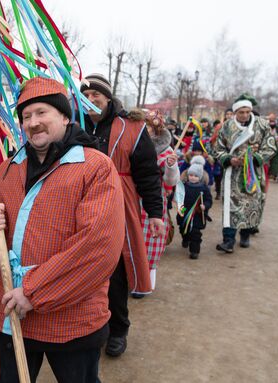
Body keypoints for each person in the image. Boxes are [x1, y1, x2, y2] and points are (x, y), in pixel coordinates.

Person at [0, 77, 125, 382]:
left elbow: (97, 247)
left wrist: (34, 291)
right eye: (26, 117)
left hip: (72, 318)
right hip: (12, 314)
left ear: (65, 116)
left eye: (42, 113)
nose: (33, 123)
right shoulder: (7, 169)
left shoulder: (94, 167)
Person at [80, 73, 163, 356]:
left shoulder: (132, 127)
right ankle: (93, 327)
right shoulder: (72, 125)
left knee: (115, 271)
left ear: (107, 97)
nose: (90, 100)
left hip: (118, 203)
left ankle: (118, 329)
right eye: (86, 95)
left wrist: (155, 212)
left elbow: (149, 172)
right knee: (84, 270)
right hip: (80, 204)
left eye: (96, 95)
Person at [214, 94, 277, 253]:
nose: (244, 115)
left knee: (250, 205)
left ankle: (245, 235)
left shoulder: (262, 125)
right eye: (241, 112)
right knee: (230, 207)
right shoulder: (227, 126)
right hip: (232, 174)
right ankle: (228, 240)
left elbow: (270, 147)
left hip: (253, 173)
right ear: (235, 112)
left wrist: (254, 159)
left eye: (247, 112)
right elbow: (218, 149)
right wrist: (229, 159)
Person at [141, 110, 179, 290]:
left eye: (148, 126)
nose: (145, 130)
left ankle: (146, 283)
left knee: (150, 240)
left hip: (155, 200)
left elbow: (171, 181)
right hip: (132, 199)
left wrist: (171, 167)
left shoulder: (166, 151)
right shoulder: (134, 146)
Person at [176, 156, 213, 259]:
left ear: (200, 177)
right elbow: (179, 197)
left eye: (196, 176)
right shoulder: (184, 186)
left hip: (197, 213)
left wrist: (205, 206)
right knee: (183, 228)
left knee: (196, 233)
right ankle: (185, 238)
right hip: (184, 210)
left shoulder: (204, 188)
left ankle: (194, 251)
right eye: (191, 175)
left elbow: (209, 200)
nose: (192, 177)